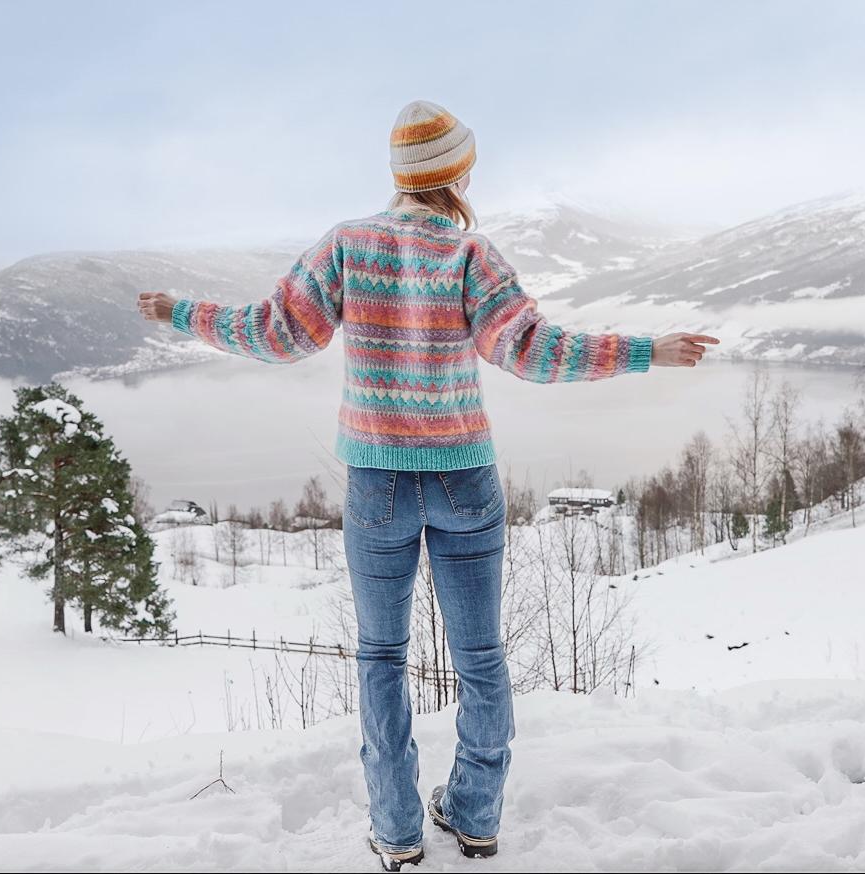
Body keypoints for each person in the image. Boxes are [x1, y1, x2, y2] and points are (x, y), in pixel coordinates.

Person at [137, 99, 718, 871]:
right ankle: (475, 816)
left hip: (377, 482)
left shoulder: (347, 245)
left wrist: (183, 312)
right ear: (459, 172)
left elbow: (276, 334)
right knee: (480, 657)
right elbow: (535, 351)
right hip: (464, 480)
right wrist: (648, 351)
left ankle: (398, 829)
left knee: (382, 657)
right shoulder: (473, 255)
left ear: (398, 175)